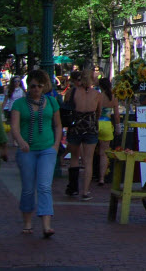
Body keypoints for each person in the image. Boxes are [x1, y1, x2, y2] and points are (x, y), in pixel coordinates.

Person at [10, 69, 62, 238]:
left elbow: (58, 125)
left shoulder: (51, 102)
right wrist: (21, 141)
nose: (36, 89)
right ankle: (27, 222)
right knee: (27, 189)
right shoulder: (19, 104)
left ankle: (46, 226)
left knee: (44, 186)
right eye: (33, 86)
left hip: (47, 148)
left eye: (39, 86)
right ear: (28, 86)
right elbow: (15, 127)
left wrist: (55, 145)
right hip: (27, 150)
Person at [63, 69, 103, 200]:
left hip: (75, 126)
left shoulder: (72, 92)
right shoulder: (97, 94)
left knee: (74, 157)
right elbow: (99, 112)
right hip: (90, 127)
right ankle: (85, 191)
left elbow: (66, 107)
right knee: (88, 160)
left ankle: (73, 187)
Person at [95, 77, 121, 186]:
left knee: (91, 152)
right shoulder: (114, 97)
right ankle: (102, 178)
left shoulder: (99, 96)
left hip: (97, 123)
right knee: (104, 153)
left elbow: (97, 111)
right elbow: (116, 115)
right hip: (107, 125)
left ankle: (92, 173)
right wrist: (118, 127)